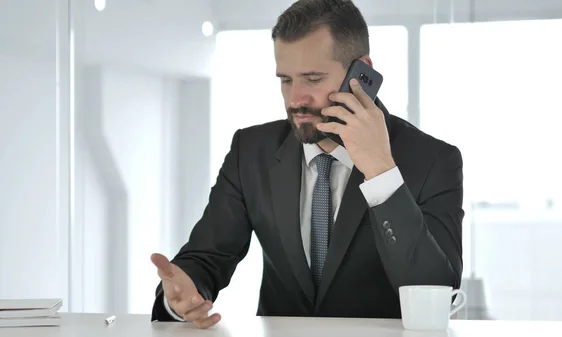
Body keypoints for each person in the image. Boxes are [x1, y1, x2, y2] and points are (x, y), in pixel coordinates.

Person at [150, 0, 464, 329]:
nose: (295, 99)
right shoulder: (251, 151)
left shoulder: (433, 160)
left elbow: (439, 294)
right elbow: (206, 258)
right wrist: (181, 298)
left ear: (361, 73)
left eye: (313, 79)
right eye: (286, 80)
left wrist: (381, 173)